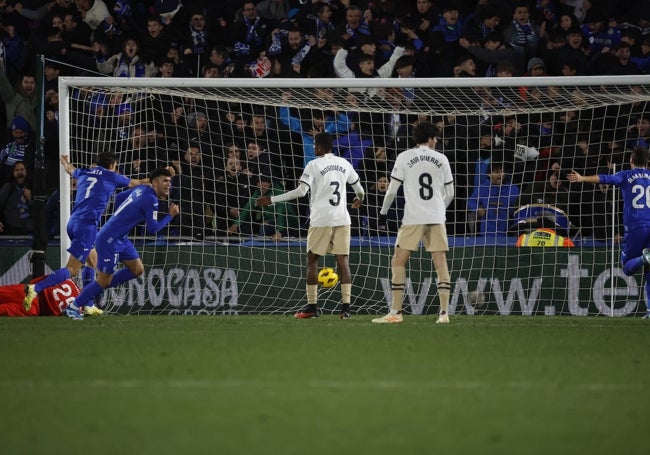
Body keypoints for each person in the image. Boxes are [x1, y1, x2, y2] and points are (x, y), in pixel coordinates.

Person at [23, 153, 149, 315]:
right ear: (112, 165)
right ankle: (35, 288)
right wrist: (154, 180)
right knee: (72, 269)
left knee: (92, 261)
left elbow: (70, 170)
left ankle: (88, 305)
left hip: (73, 222)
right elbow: (135, 183)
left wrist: (65, 162)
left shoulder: (85, 172)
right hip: (87, 227)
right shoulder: (111, 176)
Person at [256, 132, 365, 319]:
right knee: (342, 261)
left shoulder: (313, 165)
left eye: (315, 145)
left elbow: (301, 191)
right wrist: (359, 199)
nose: (313, 148)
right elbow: (360, 190)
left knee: (312, 261)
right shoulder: (344, 163)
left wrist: (272, 199)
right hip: (342, 219)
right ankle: (346, 308)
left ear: (320, 147)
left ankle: (312, 307)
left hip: (321, 220)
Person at [63, 167, 179, 320]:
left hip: (121, 238)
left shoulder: (142, 188)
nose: (168, 184)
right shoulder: (151, 199)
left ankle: (95, 289)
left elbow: (119, 198)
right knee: (104, 280)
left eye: (170, 181)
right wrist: (170, 215)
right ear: (155, 183)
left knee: (137, 269)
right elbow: (153, 229)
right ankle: (73, 306)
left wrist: (123, 217)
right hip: (109, 240)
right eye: (165, 180)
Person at [372, 122, 454, 324]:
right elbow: (450, 193)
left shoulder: (404, 157)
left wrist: (383, 212)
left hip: (413, 218)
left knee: (398, 262)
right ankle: (444, 314)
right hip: (436, 217)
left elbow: (391, 190)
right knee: (440, 262)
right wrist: (439, 210)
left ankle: (396, 312)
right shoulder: (441, 158)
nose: (436, 141)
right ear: (430, 138)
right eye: (435, 137)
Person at [568, 147, 650, 318]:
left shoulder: (626, 175)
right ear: (647, 162)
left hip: (635, 226)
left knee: (627, 268)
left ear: (631, 160)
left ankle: (644, 258)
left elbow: (604, 178)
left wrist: (582, 178)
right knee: (649, 272)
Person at [1, 278, 80, 317]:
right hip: (34, 309)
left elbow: (37, 281)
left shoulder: (67, 280)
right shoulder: (78, 309)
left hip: (25, 292)